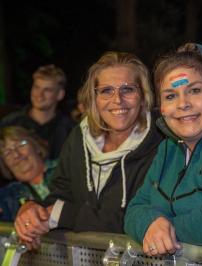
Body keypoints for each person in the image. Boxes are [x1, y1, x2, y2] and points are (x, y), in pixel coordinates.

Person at [14, 51, 163, 249]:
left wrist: (62, 215)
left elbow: (135, 220)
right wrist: (35, 211)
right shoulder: (79, 137)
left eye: (128, 89)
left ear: (143, 95)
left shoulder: (161, 142)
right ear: (94, 98)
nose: (117, 100)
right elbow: (59, 196)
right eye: (106, 90)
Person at [124, 43, 202, 256]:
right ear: (161, 107)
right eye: (170, 96)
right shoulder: (168, 148)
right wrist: (149, 224)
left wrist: (163, 230)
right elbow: (134, 209)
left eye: (194, 90)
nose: (183, 104)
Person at [0, 64, 75, 159]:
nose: (39, 94)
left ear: (60, 94)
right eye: (36, 87)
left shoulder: (70, 131)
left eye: (47, 90)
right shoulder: (9, 124)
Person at [0, 126, 56, 221]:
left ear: (36, 146)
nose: (16, 155)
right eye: (7, 153)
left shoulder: (66, 168)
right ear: (5, 165)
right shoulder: (7, 196)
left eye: (21, 145)